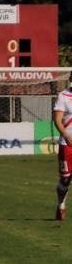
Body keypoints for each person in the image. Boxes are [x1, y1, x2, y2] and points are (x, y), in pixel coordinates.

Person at [53, 82, 72, 220]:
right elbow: (57, 120)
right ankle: (61, 205)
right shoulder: (63, 96)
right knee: (65, 179)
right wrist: (66, 135)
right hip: (67, 144)